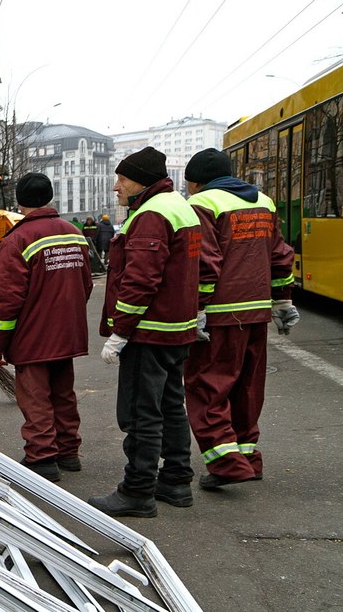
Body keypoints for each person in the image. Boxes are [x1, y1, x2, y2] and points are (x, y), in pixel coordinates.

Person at [89, 146, 201, 518]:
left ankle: (137, 490)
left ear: (143, 180)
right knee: (171, 405)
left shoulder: (151, 215)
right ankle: (176, 480)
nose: (115, 186)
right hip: (176, 330)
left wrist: (120, 332)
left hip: (149, 333)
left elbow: (140, 280)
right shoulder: (180, 207)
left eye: (122, 178)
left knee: (141, 412)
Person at [183, 148, 297, 490]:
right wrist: (283, 300)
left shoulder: (203, 204)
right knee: (247, 387)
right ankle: (249, 458)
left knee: (208, 387)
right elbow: (280, 256)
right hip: (257, 311)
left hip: (220, 313)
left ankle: (227, 465)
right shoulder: (263, 202)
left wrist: (199, 308)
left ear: (195, 180)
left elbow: (206, 262)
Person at [0, 173, 92, 482]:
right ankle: (68, 451)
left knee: (35, 397)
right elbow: (84, 284)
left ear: (19, 201)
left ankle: (42, 456)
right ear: (50, 197)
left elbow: (6, 299)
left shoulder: (18, 239)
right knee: (63, 393)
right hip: (67, 332)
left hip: (33, 336)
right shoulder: (73, 233)